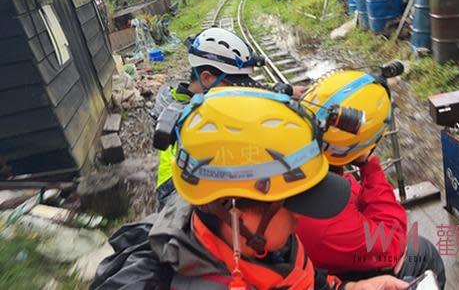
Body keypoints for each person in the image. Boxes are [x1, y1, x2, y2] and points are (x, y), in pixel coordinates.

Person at [91, 87, 410, 290]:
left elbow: (308, 282)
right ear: (235, 213)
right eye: (292, 204)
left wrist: (355, 288)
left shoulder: (269, 248)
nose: (299, 220)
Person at [297, 70, 446, 288]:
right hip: (330, 270)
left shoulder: (304, 168)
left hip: (318, 268)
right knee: (422, 253)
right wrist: (369, 166)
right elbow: (393, 242)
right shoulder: (326, 215)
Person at [154, 27, 304, 208]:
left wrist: (285, 90)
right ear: (207, 78)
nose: (240, 91)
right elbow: (170, 198)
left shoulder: (216, 94)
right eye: (233, 83)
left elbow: (246, 89)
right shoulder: (181, 123)